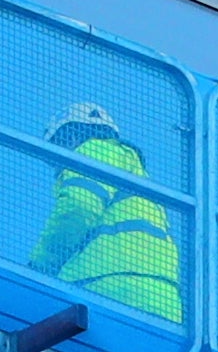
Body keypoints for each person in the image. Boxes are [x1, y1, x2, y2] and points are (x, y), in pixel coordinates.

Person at [32, 101, 184, 323]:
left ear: (71, 137)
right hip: (163, 302)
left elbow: (78, 208)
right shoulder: (139, 181)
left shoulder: (94, 150)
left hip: (103, 289)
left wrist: (41, 266)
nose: (58, 166)